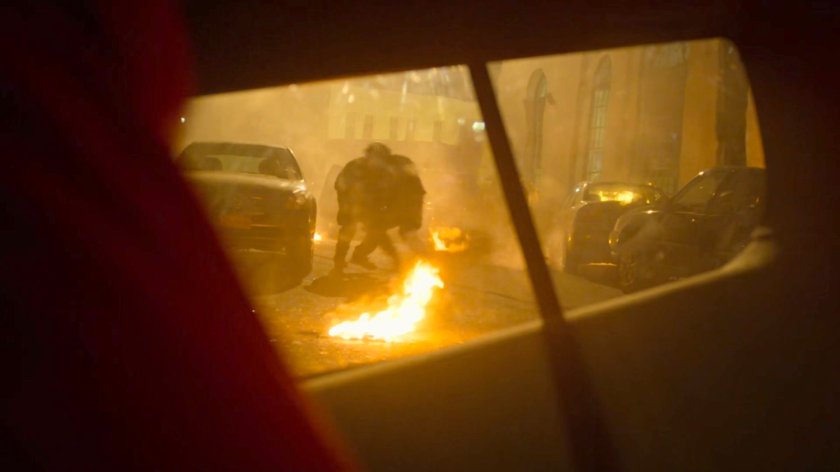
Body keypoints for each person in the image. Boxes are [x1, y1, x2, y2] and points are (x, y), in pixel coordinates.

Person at [332, 142, 425, 274]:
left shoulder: (391, 168)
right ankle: (339, 262)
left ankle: (360, 255)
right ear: (368, 157)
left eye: (382, 160)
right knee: (349, 227)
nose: (379, 164)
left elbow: (396, 191)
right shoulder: (355, 168)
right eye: (375, 159)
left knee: (378, 228)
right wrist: (354, 208)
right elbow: (345, 187)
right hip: (348, 197)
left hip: (376, 200)